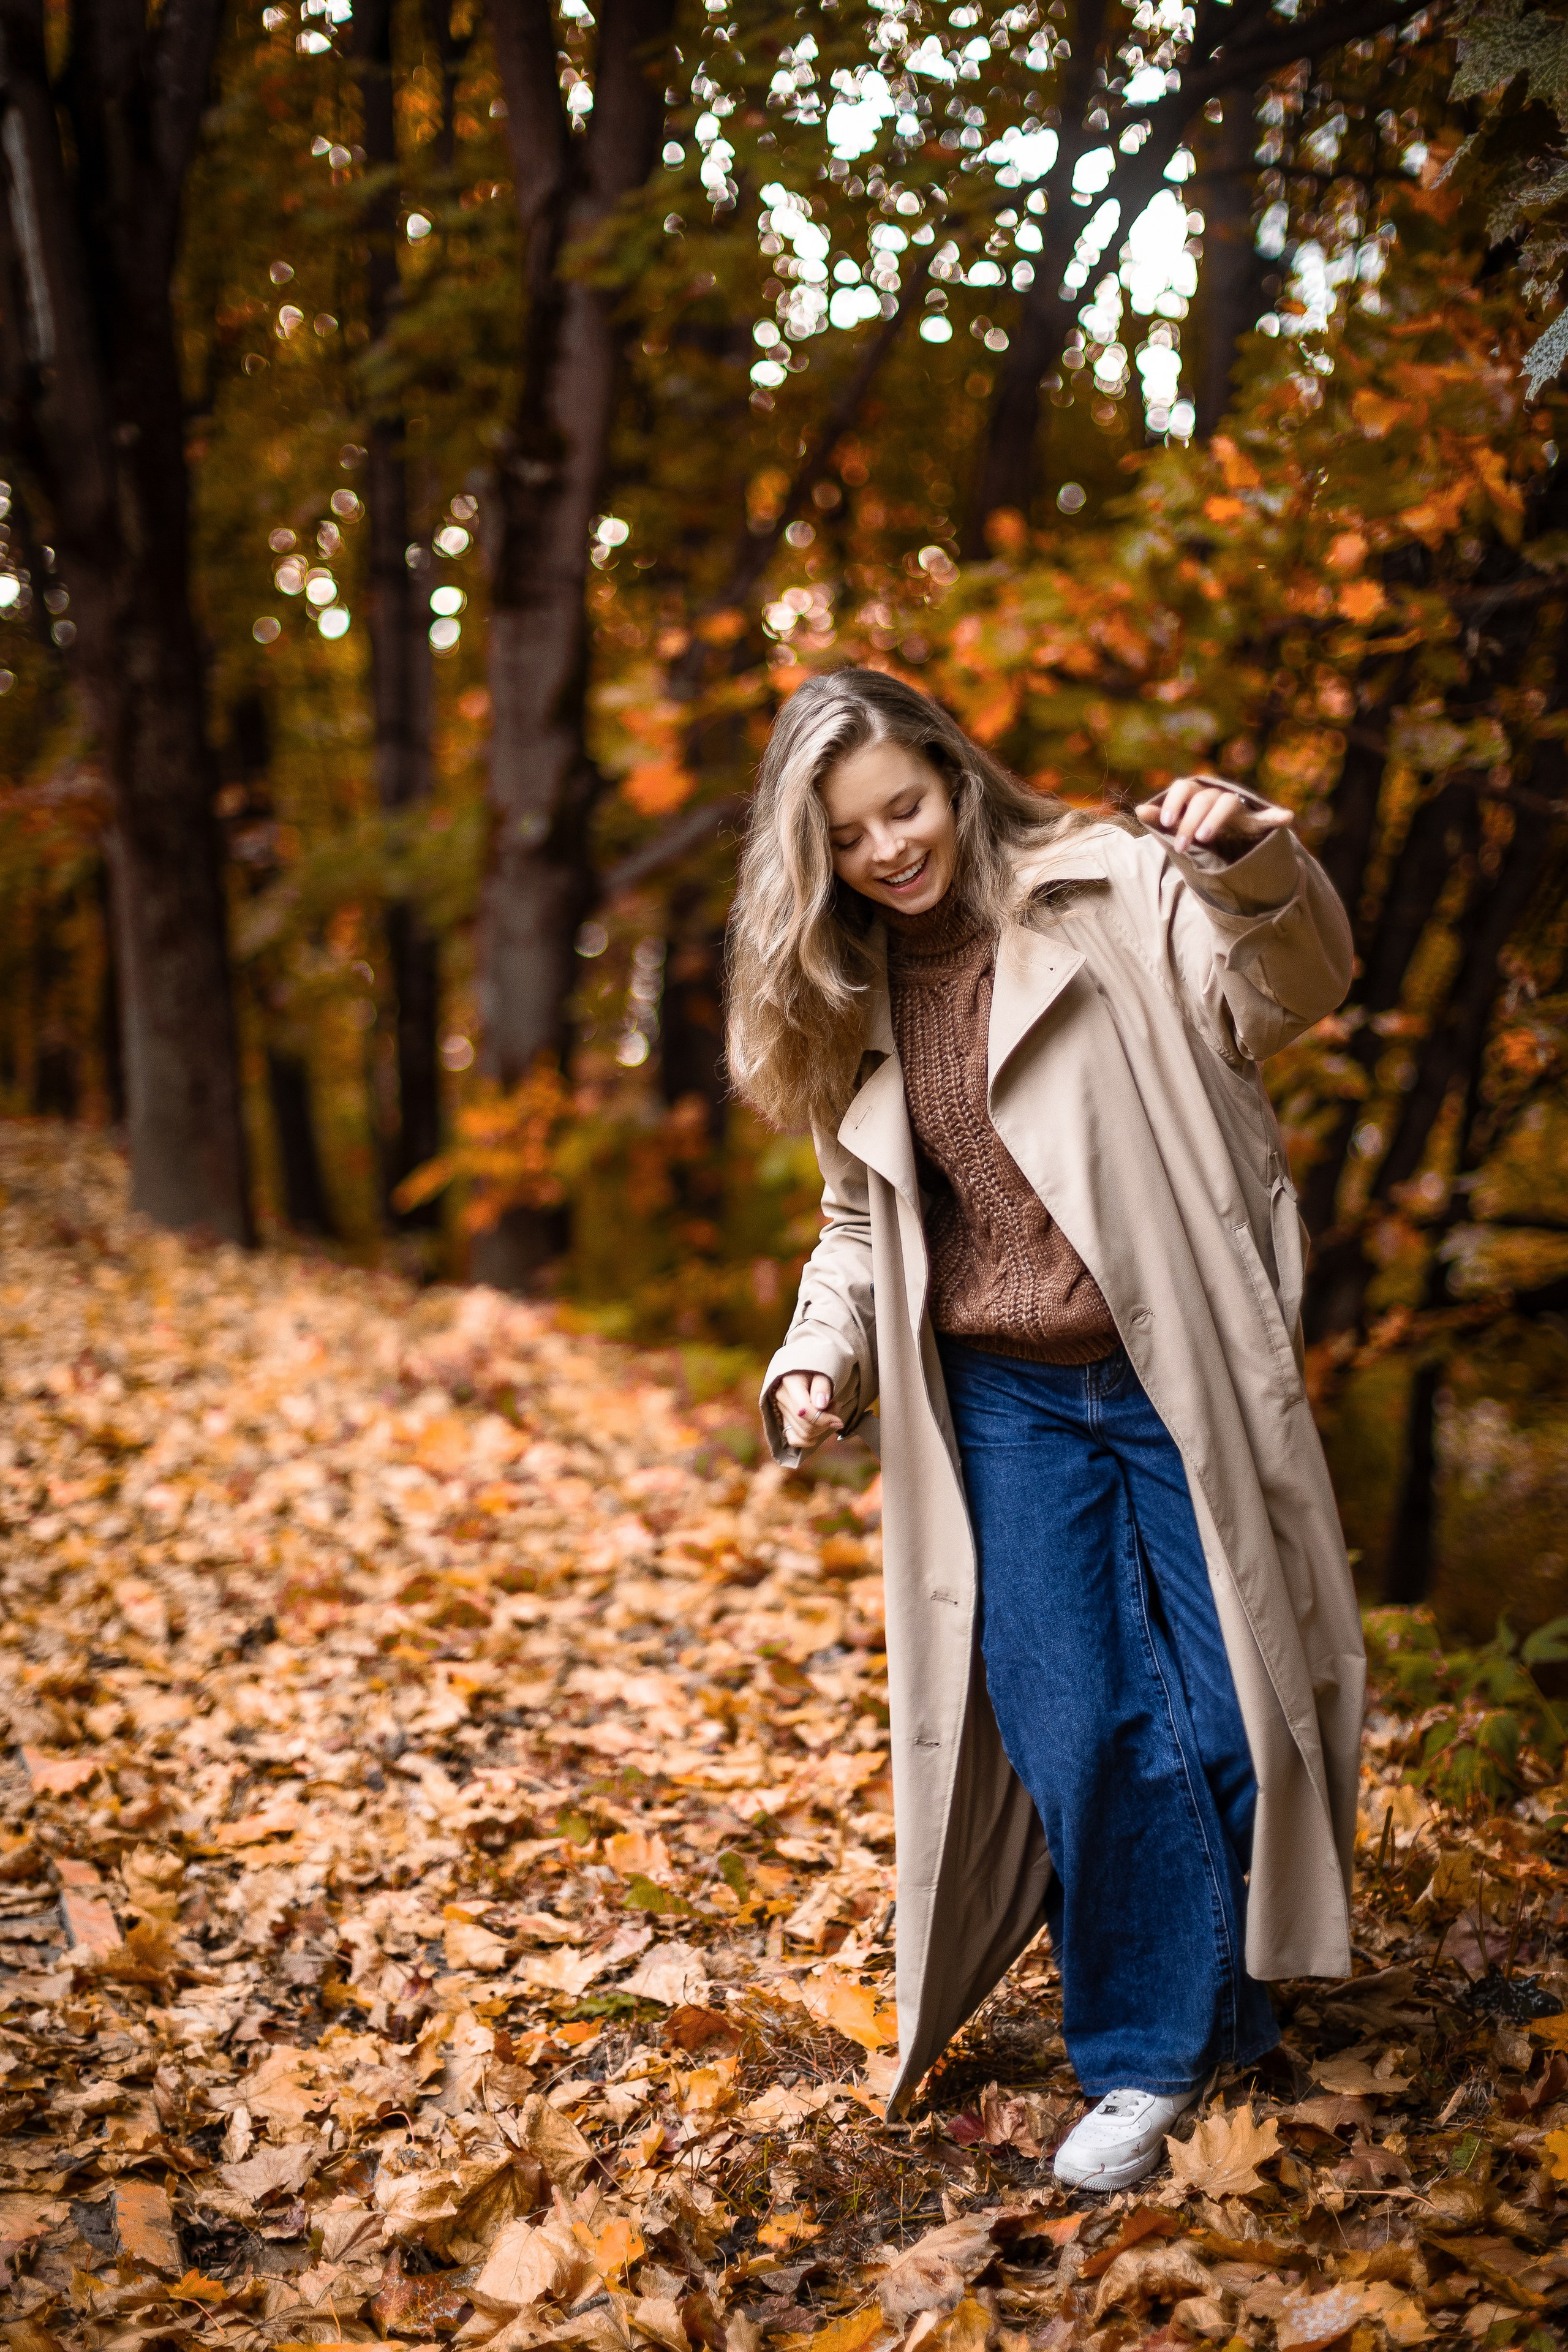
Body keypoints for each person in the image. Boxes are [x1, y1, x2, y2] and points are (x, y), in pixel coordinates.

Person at [725, 668, 1365, 2192]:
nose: (890, 848)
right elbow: (856, 1223)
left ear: (954, 776)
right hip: (1003, 1403)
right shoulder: (850, 994)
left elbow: (1286, 985)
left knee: (1231, 1722)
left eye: (906, 805)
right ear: (810, 855)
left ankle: (1224, 2008)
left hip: (1169, 1373)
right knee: (1081, 1734)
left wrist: (1252, 863)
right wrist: (820, 1356)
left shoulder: (1108, 890)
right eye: (850, 833)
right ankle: (1147, 2060)